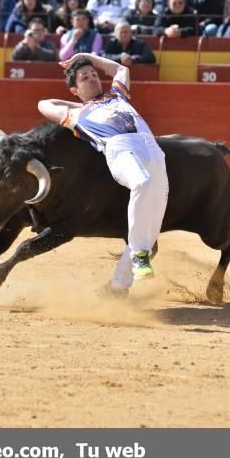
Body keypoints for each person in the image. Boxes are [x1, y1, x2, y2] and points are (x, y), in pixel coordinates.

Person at [37, 52, 169, 296]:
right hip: (120, 148)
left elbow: (121, 70)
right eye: (84, 77)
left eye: (94, 75)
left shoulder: (116, 94)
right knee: (142, 182)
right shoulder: (75, 115)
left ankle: (118, 286)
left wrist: (87, 56)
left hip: (152, 148)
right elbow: (43, 104)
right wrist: (83, 105)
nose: (92, 78)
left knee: (150, 225)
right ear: (74, 90)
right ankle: (140, 255)